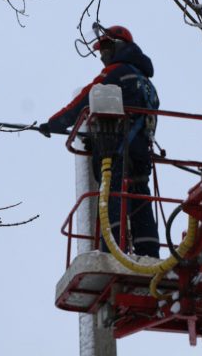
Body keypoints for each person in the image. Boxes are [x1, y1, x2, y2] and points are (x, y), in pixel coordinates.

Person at [39, 25, 160, 258]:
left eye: (105, 47)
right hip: (141, 152)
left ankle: (111, 251)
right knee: (139, 198)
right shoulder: (146, 83)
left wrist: (55, 123)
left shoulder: (116, 72)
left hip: (118, 151)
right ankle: (149, 254)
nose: (102, 54)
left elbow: (85, 99)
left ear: (119, 47)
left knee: (113, 196)